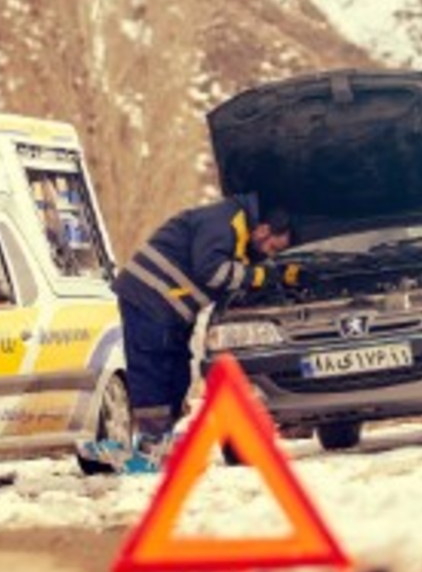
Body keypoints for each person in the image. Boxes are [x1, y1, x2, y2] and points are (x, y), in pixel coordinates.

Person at [90, 193, 297, 472]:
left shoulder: (239, 230)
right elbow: (212, 272)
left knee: (177, 374)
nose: (269, 252)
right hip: (148, 299)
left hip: (170, 309)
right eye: (272, 246)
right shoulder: (223, 223)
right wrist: (259, 276)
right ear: (262, 229)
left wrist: (274, 272)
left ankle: (160, 441)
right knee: (153, 371)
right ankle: (152, 443)